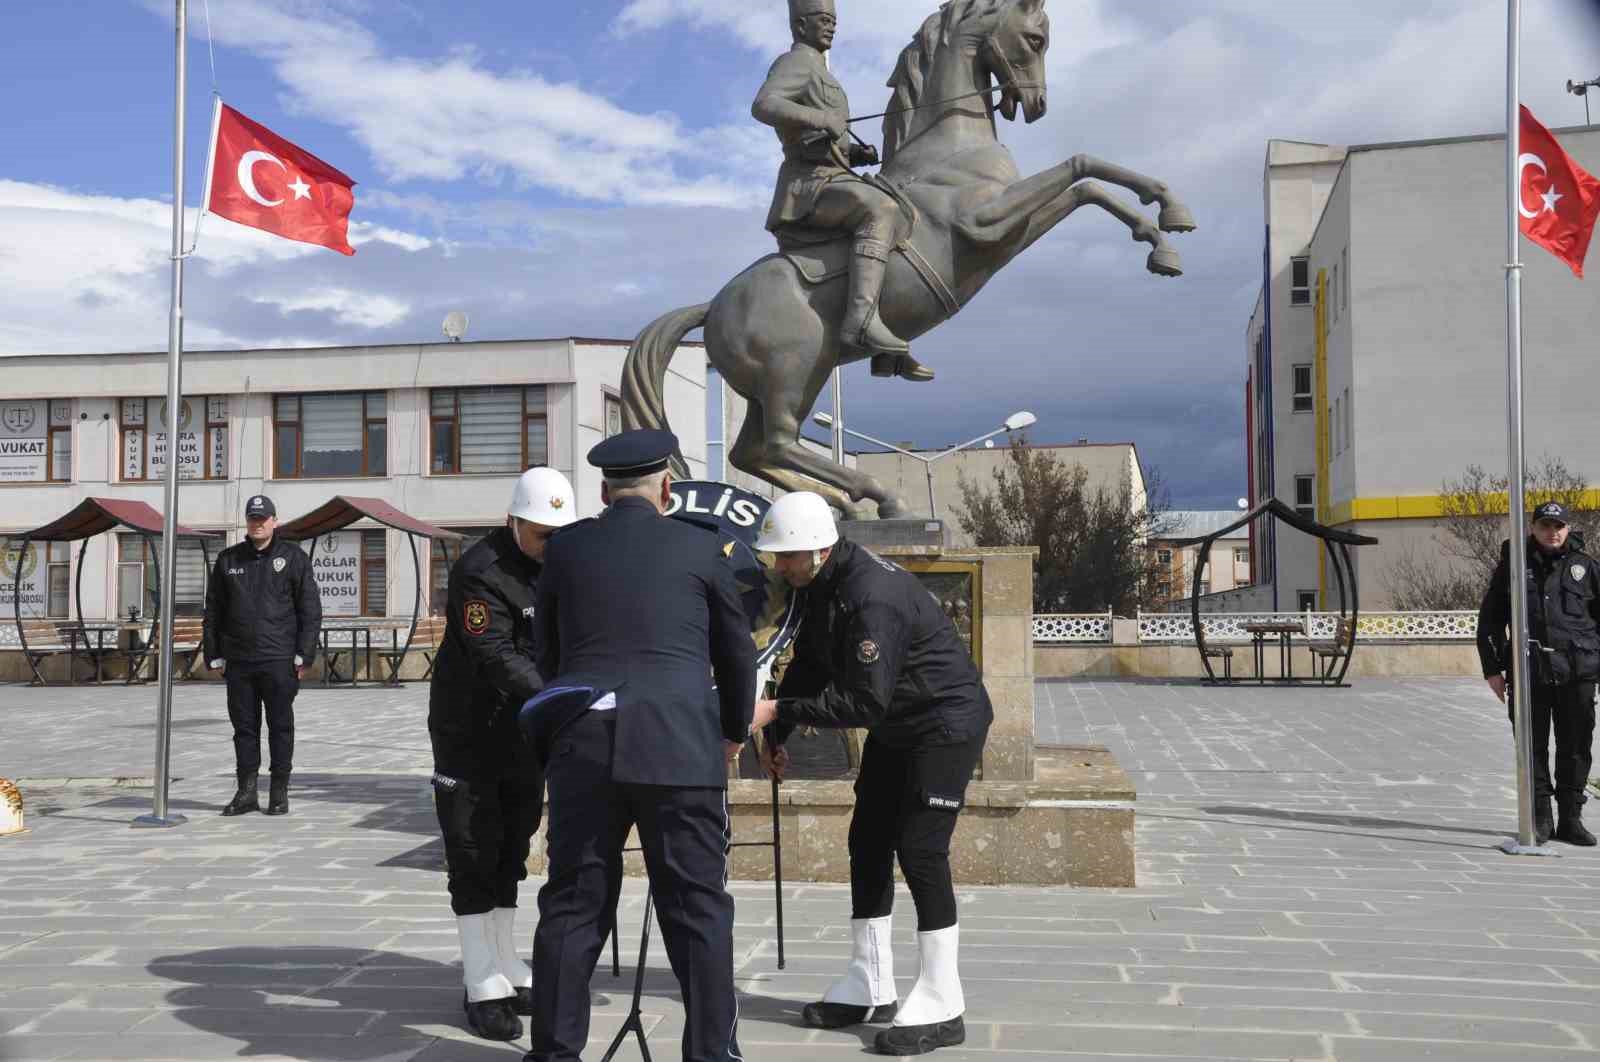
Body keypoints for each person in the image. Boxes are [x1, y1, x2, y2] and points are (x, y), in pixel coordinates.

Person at [525, 429, 756, 1062]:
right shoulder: (701, 548)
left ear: (603, 492)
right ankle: (711, 1054)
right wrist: (731, 733)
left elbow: (547, 653)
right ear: (667, 489)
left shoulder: (566, 552)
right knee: (698, 908)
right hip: (680, 742)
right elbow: (737, 654)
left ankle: (553, 1053)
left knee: (573, 904)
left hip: (585, 742)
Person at [749, 491, 992, 1056]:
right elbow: (809, 664)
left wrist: (777, 711)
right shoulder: (821, 583)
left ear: (820, 549)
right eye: (777, 557)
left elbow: (863, 702)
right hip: (898, 723)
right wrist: (775, 739)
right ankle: (871, 983)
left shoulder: (870, 598)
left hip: (943, 723)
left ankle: (942, 1001)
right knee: (868, 840)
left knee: (921, 849)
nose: (778, 567)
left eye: (787, 557)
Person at [430, 467, 577, 1042]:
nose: (551, 544)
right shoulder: (479, 571)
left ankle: (507, 962)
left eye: (558, 533)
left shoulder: (559, 564)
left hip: (524, 730)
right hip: (470, 730)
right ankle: (478, 979)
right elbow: (494, 654)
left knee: (514, 842)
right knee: (472, 847)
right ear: (512, 521)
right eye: (542, 533)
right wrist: (560, 694)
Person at [751, 0, 935, 383]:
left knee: (901, 211)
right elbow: (765, 104)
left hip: (832, 175)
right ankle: (862, 322)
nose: (832, 28)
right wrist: (821, 117)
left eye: (834, 21)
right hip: (808, 186)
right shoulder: (796, 63)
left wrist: (853, 153)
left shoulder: (820, 70)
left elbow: (820, 138)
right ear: (801, 26)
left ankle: (885, 350)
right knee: (880, 209)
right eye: (823, 20)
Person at [1477, 500, 1598, 846]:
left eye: (1558, 526)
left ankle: (1571, 818)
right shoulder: (1514, 567)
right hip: (1530, 671)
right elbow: (1491, 620)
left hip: (1578, 672)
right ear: (1532, 528)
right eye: (1545, 525)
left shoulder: (1586, 567)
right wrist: (1493, 669)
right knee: (1532, 748)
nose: (1552, 532)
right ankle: (1541, 818)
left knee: (1576, 747)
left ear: (1567, 528)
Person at [203, 494, 321, 818]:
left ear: (274, 522)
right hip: (239, 661)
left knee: (280, 726)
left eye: (263, 519)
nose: (258, 524)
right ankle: (247, 791)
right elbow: (213, 610)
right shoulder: (229, 560)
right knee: (244, 728)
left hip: (279, 660)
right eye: (253, 519)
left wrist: (304, 655)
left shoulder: (293, 558)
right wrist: (213, 653)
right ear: (247, 521)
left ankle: (279, 791)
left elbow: (310, 610)